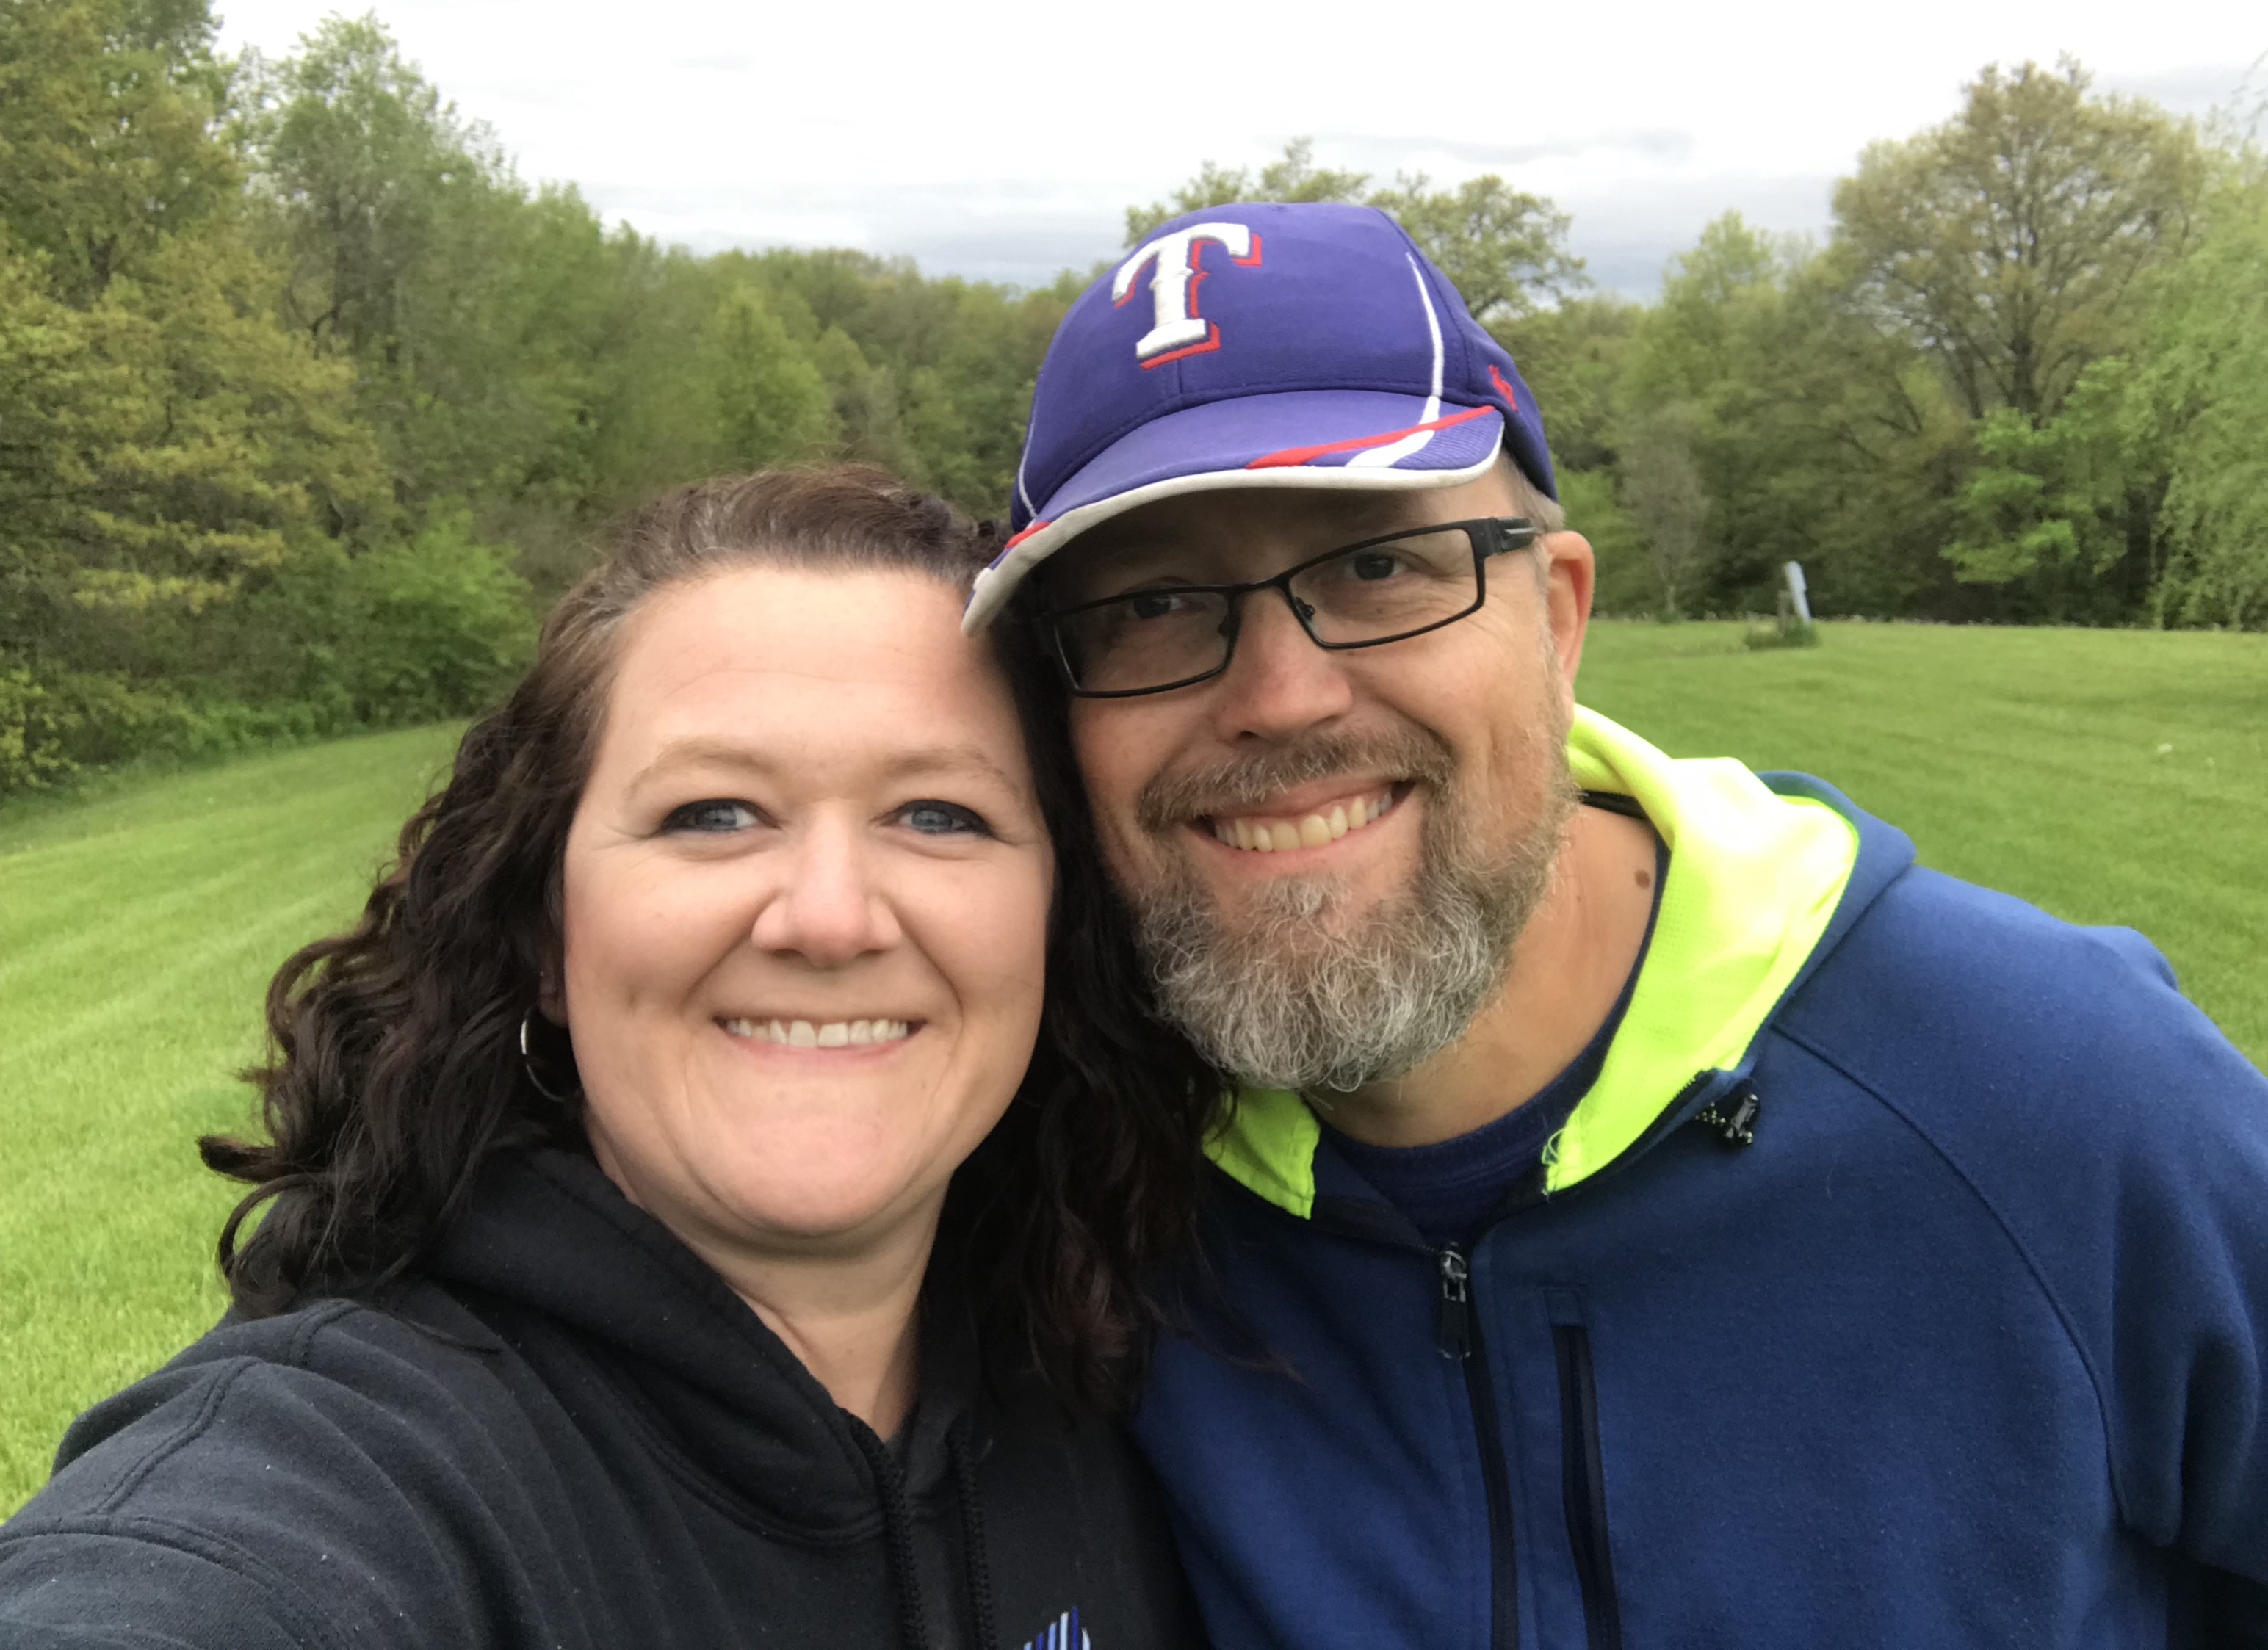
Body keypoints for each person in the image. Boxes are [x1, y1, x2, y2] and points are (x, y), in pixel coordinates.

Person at [962, 200, 2268, 1646]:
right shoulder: (1073, 1181)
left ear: (1558, 616)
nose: (1278, 695)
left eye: (1375, 567)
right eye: (1151, 604)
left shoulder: (2058, 1102)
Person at [0, 467, 1213, 1650]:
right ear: (543, 931)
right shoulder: (338, 1484)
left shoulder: (1125, 1387)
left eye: (939, 815)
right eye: (713, 814)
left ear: (1057, 921)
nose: (830, 918)